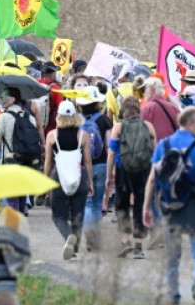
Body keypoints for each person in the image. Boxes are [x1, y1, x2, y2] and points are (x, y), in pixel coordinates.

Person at [143, 106, 195, 305]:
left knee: (172, 254)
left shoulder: (164, 144)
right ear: (189, 123)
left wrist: (146, 206)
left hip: (169, 205)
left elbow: (152, 178)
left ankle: (172, 296)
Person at [106, 96, 157, 259]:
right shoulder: (148, 126)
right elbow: (155, 152)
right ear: (138, 109)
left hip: (123, 171)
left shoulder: (118, 127)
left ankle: (125, 240)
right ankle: (138, 246)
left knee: (122, 204)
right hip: (143, 171)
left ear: (124, 109)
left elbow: (112, 153)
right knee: (141, 205)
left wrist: (109, 175)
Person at [43, 100, 93, 261]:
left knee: (58, 215)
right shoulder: (82, 136)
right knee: (77, 214)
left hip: (59, 177)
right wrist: (90, 182)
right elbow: (87, 161)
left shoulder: (52, 136)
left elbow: (48, 162)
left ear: (58, 116)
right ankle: (75, 246)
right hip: (79, 177)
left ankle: (68, 237)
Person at [77, 85, 113, 250]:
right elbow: (109, 145)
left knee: (87, 203)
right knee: (98, 203)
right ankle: (96, 239)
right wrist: (112, 169)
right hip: (102, 164)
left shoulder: (77, 120)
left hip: (82, 166)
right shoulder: (105, 120)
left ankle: (89, 237)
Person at [140, 77, 180, 142]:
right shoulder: (174, 107)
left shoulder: (145, 108)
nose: (143, 94)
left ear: (151, 89)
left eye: (144, 90)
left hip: (154, 150)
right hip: (173, 148)